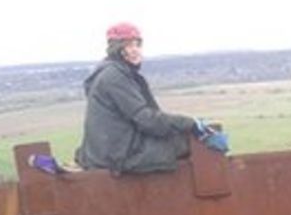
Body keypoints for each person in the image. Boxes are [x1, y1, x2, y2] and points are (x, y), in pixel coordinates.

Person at [74, 22, 198, 174]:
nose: (135, 50)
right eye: (128, 45)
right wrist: (190, 124)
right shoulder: (114, 76)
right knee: (189, 143)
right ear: (116, 48)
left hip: (113, 148)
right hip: (119, 153)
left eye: (137, 44)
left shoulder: (115, 72)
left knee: (177, 138)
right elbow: (145, 119)